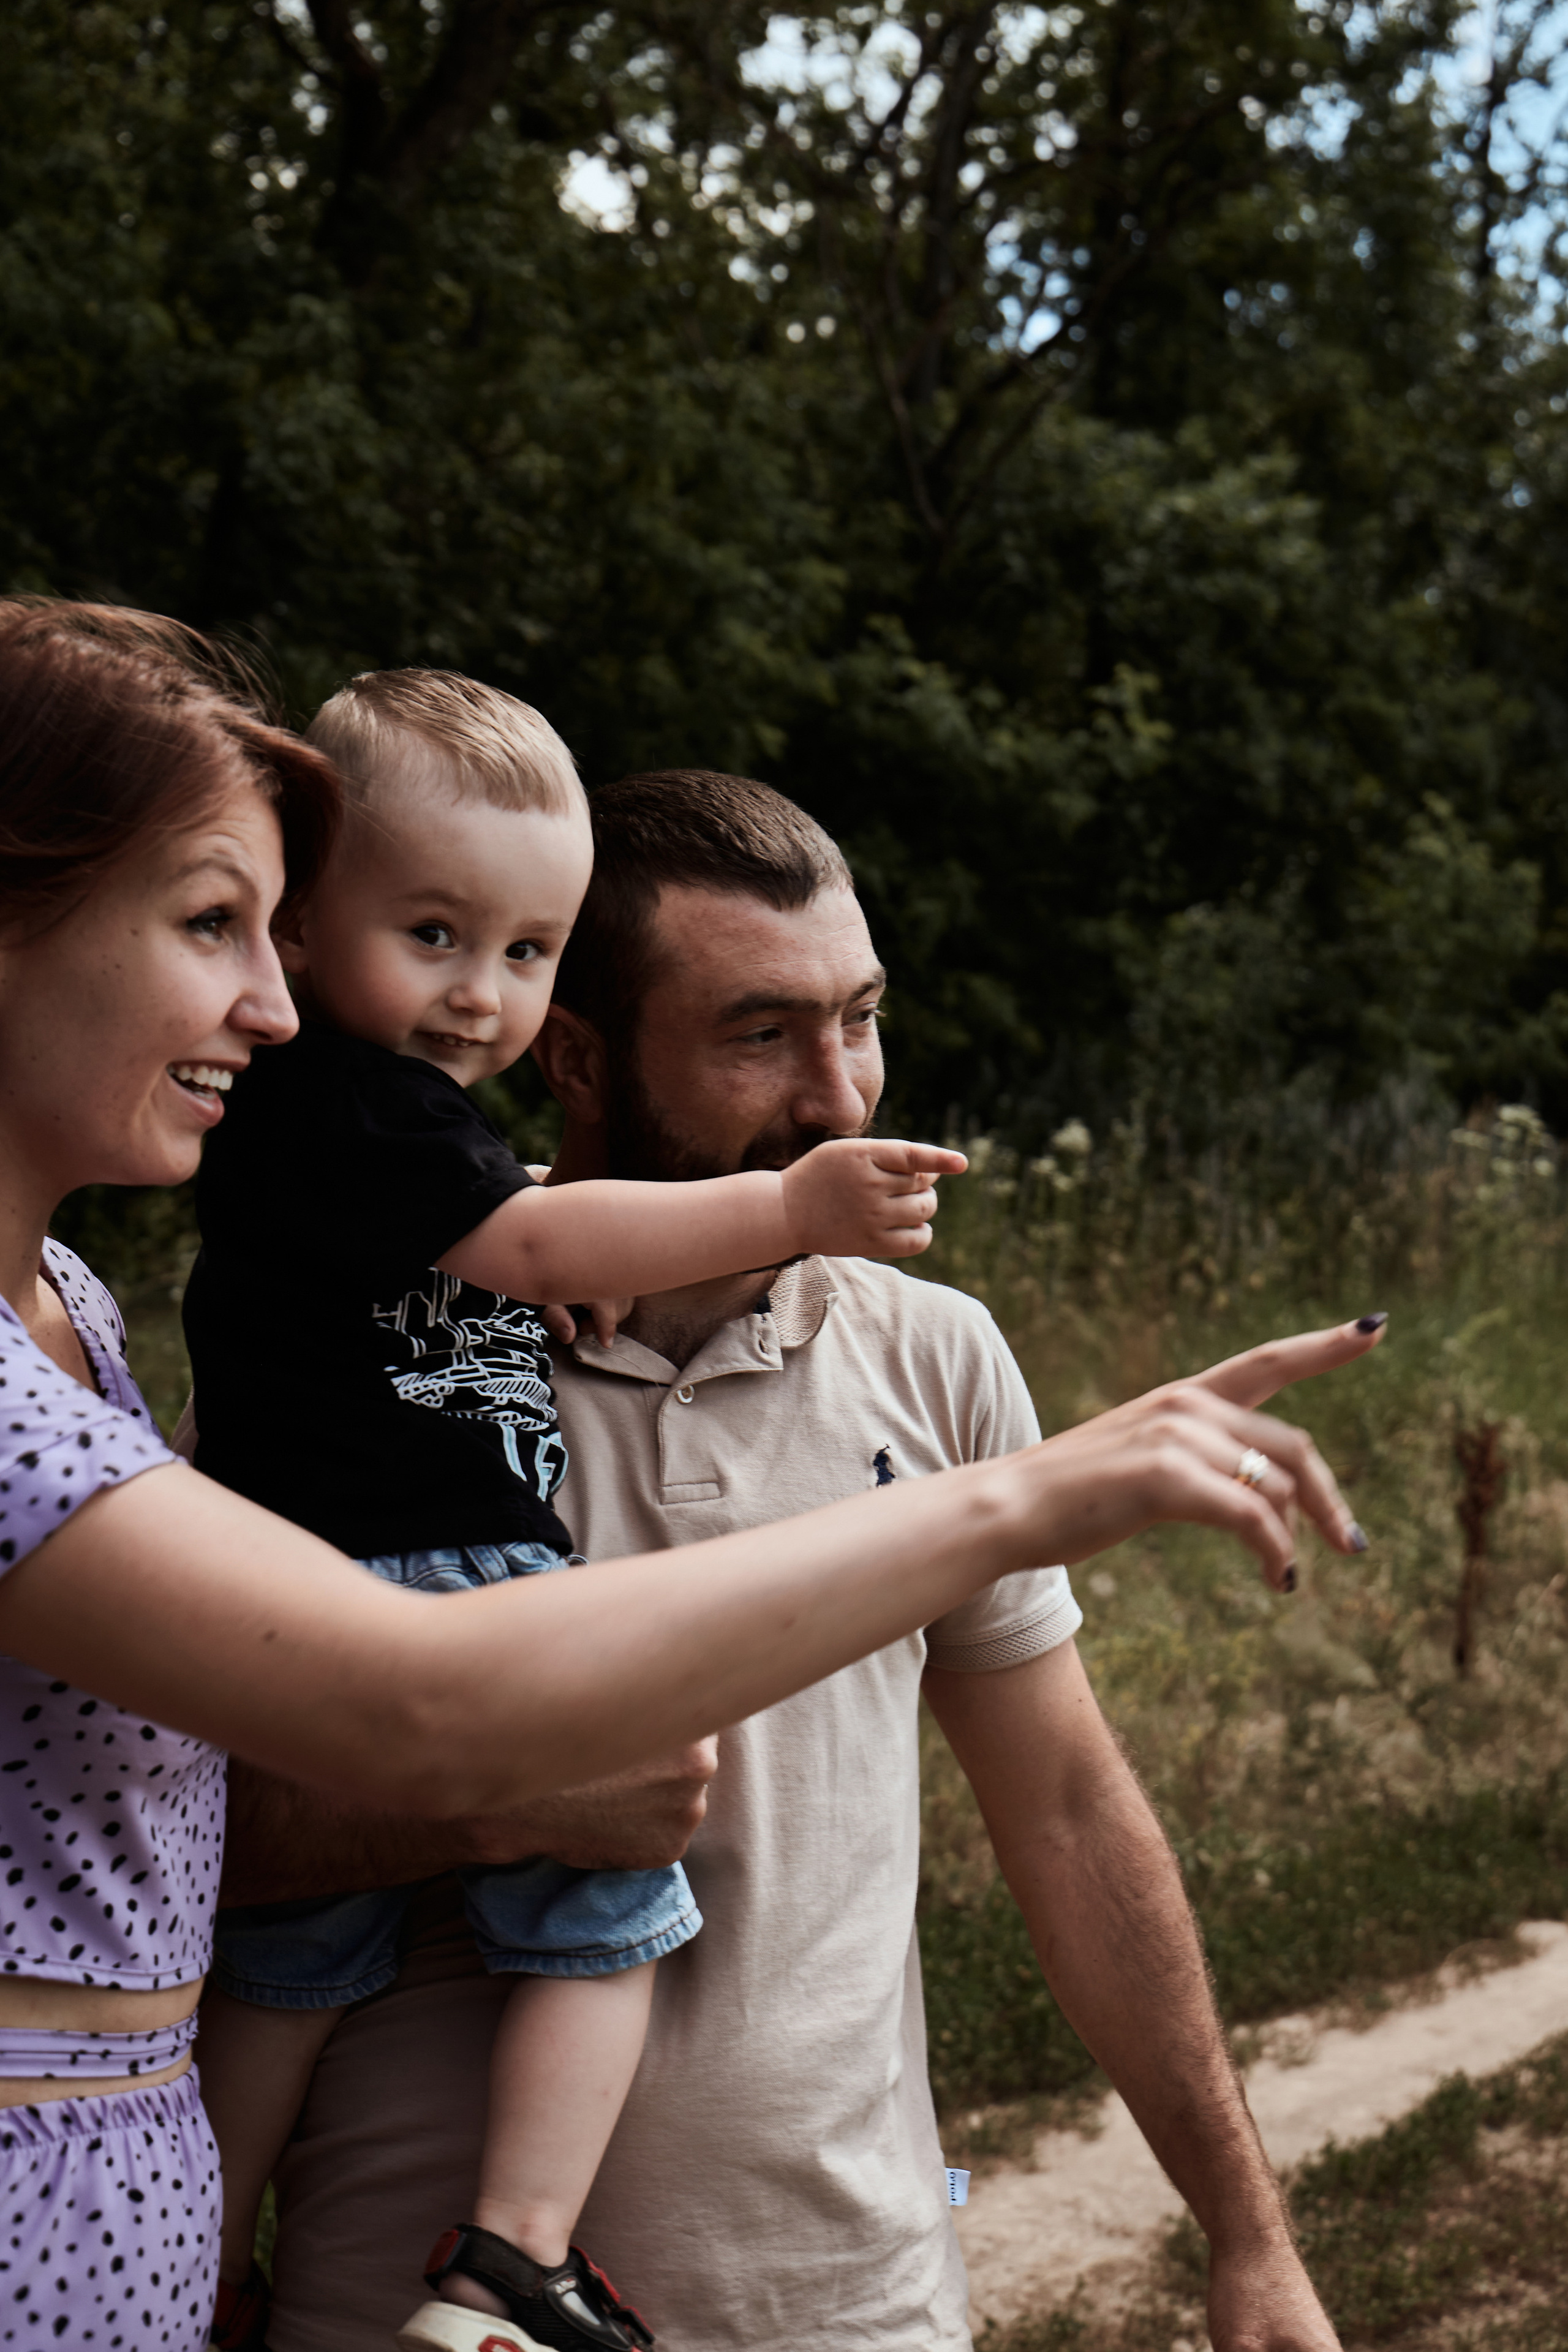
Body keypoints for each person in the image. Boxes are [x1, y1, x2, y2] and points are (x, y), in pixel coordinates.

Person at [0, 602, 1368, 2352]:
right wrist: (503, 1800)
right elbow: (205, 1823)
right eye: (760, 1035)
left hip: (845, 2303)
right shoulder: (365, 1359)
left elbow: (1072, 1812)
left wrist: (1247, 2233)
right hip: (392, 2309)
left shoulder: (932, 1360)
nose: (841, 1094)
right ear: (576, 1055)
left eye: (860, 1021)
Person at [183, 668, 964, 2352]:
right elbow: (522, 1244)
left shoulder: (343, 1137)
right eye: (440, 938)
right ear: (303, 930)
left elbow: (484, 1257)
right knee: (607, 1917)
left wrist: (544, 1269)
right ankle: (513, 2258)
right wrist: (784, 1207)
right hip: (448, 1591)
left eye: (524, 955)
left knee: (273, 1987)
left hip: (301, 1585)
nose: (481, 999)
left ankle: (177, 2274)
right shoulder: (370, 1109)